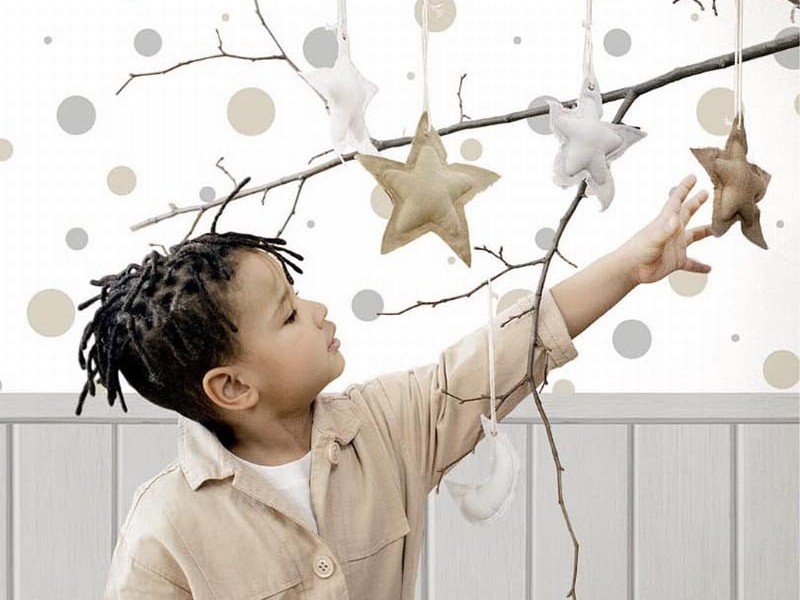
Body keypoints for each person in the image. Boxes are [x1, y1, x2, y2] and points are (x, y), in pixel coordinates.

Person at [85, 175, 713, 599]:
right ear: (232, 387)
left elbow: (504, 352)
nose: (318, 311)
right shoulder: (165, 526)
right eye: (289, 314)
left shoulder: (386, 425)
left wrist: (630, 266)